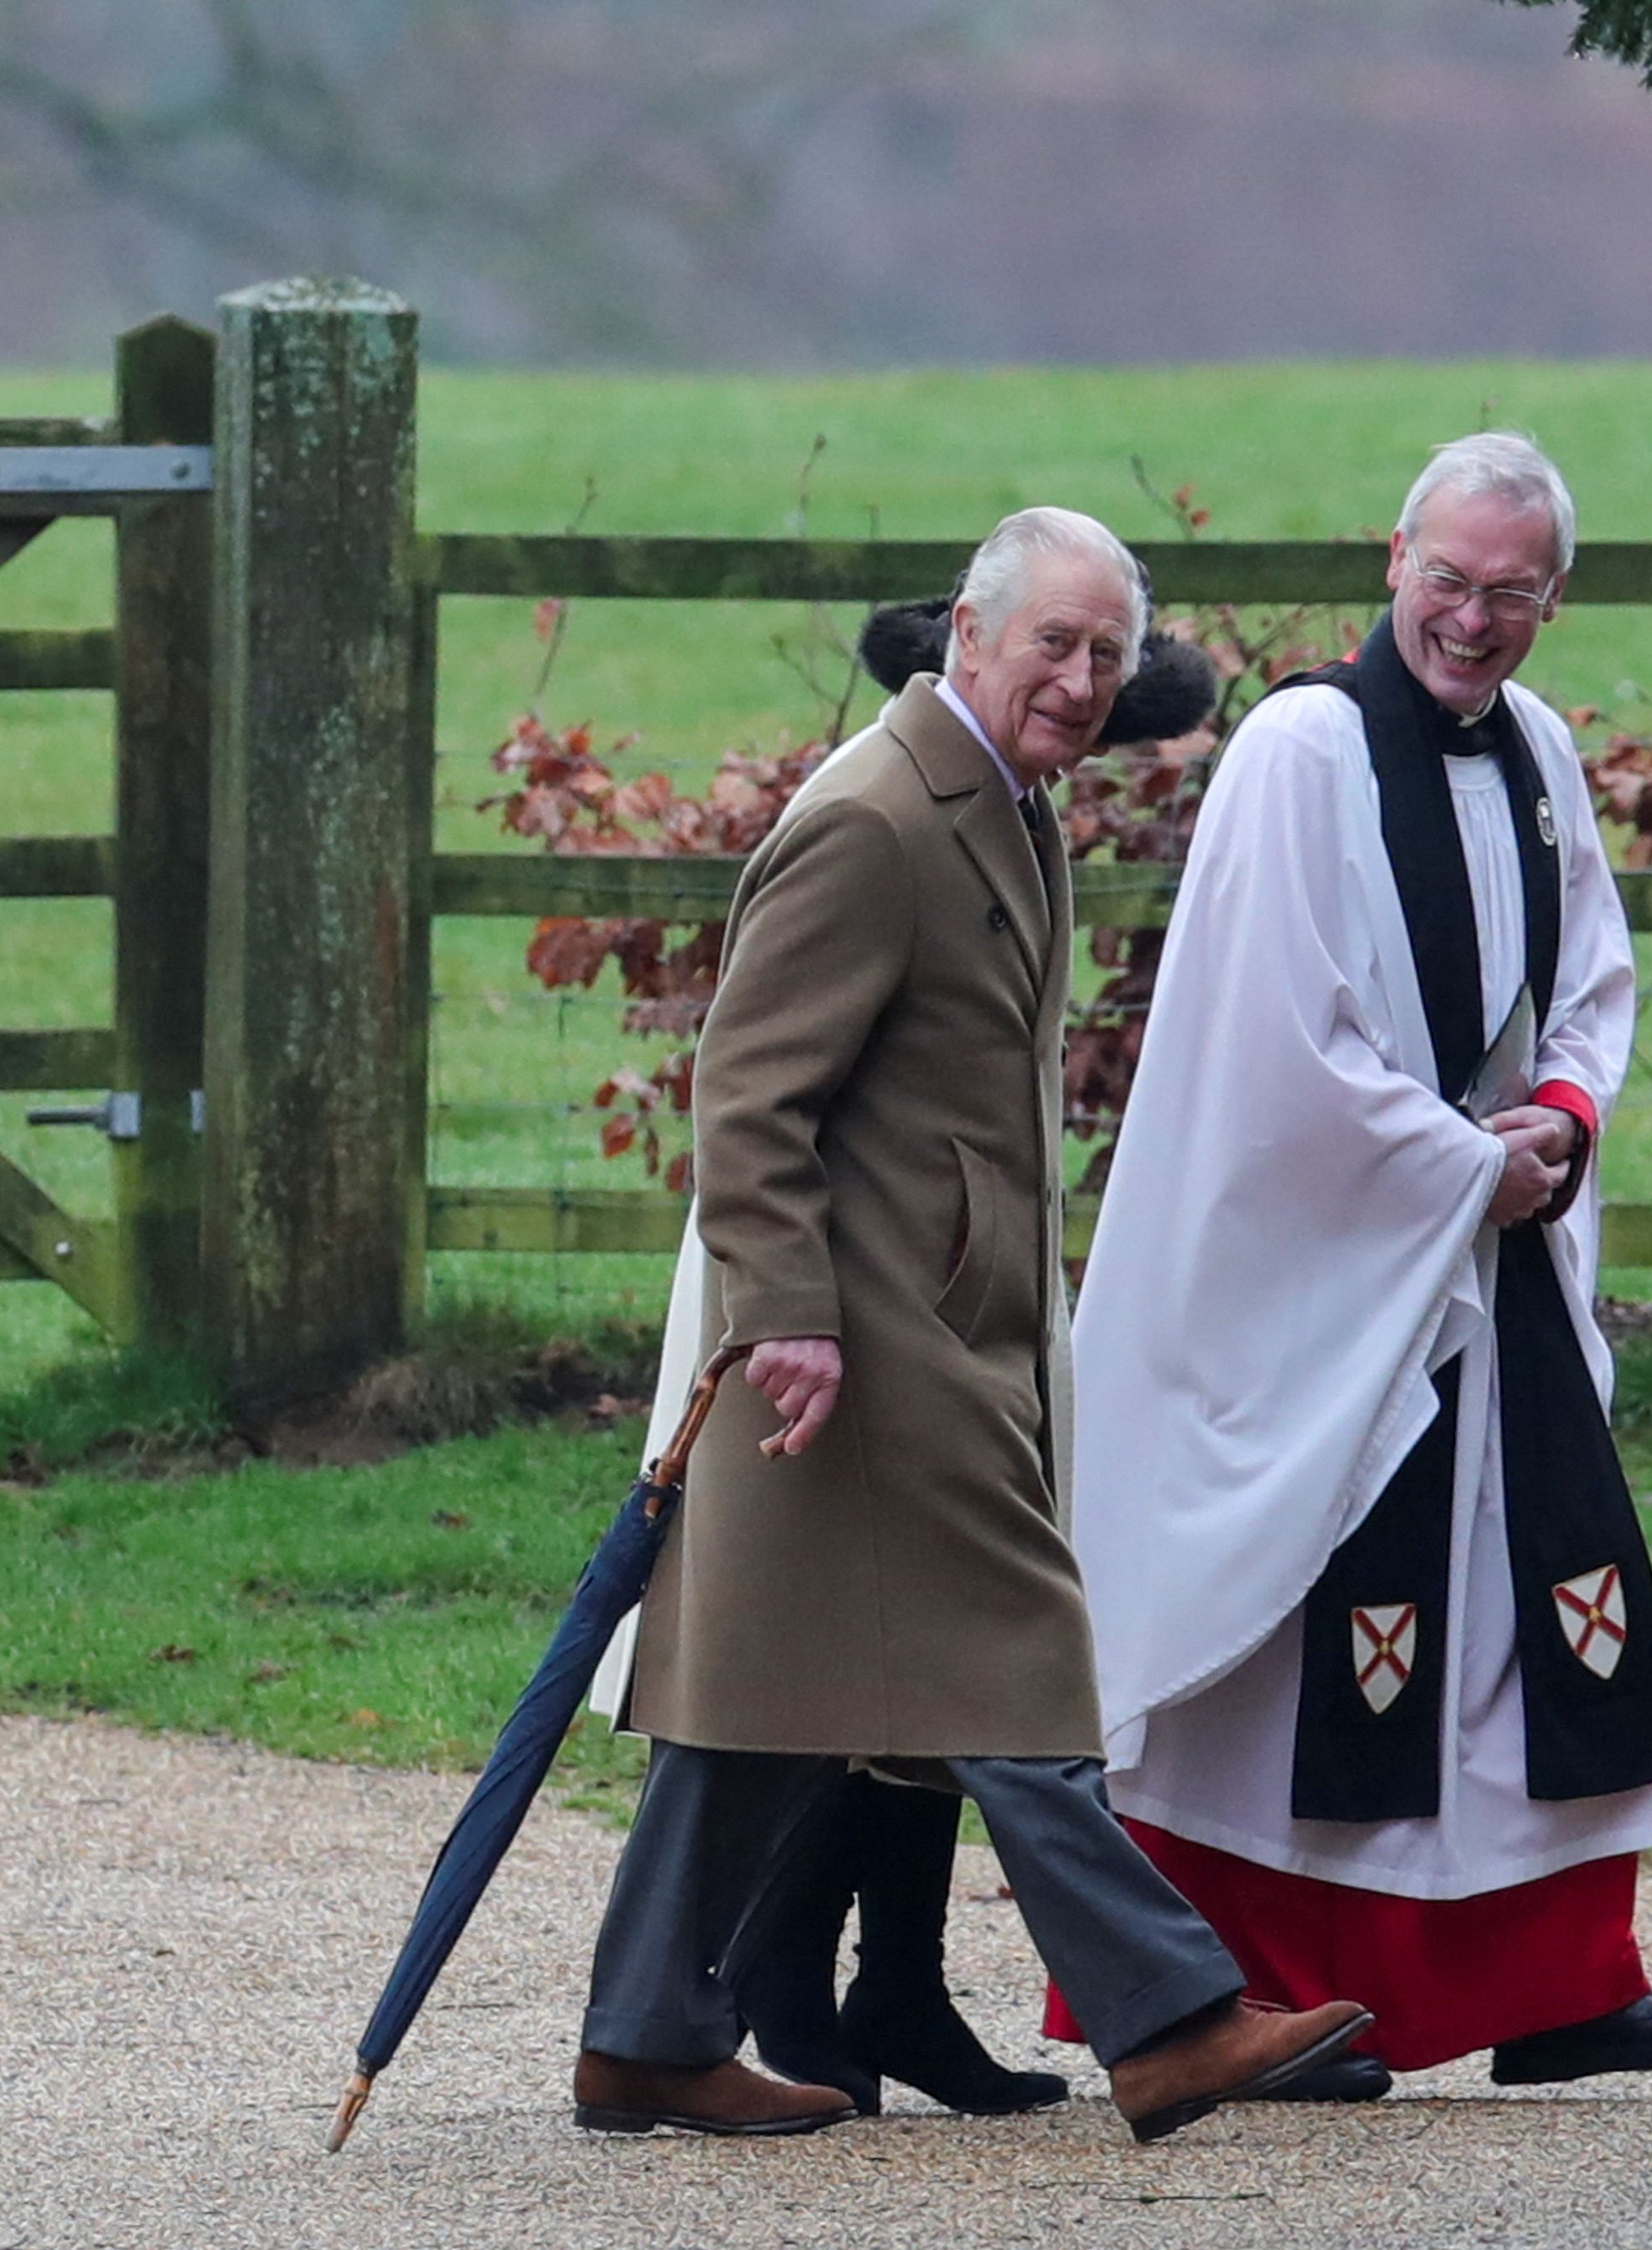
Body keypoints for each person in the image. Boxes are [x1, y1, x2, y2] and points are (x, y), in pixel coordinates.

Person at [570, 506, 1369, 2142]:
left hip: (948, 1327)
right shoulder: (876, 817)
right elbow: (746, 1094)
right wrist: (787, 1314)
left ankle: (645, 2034)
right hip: (868, 1345)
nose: (1079, 682)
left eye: (1105, 654)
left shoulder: (1007, 807)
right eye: (1053, 644)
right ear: (968, 632)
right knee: (1020, 1667)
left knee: (761, 1699)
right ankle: (1173, 2020)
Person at [1058, 436, 1652, 2094]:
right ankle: (1247, 1994)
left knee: (1531, 1616)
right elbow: (1274, 1036)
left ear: (1550, 600)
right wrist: (1463, 1164)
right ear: (1395, 562)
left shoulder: (1532, 751)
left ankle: (1562, 1988)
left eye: (1508, 594)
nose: (1470, 621)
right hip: (1325, 1267)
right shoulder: (1299, 752)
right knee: (1303, 1626)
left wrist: (1563, 1126)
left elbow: (1591, 976)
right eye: (1445, 582)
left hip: (1486, 1248)